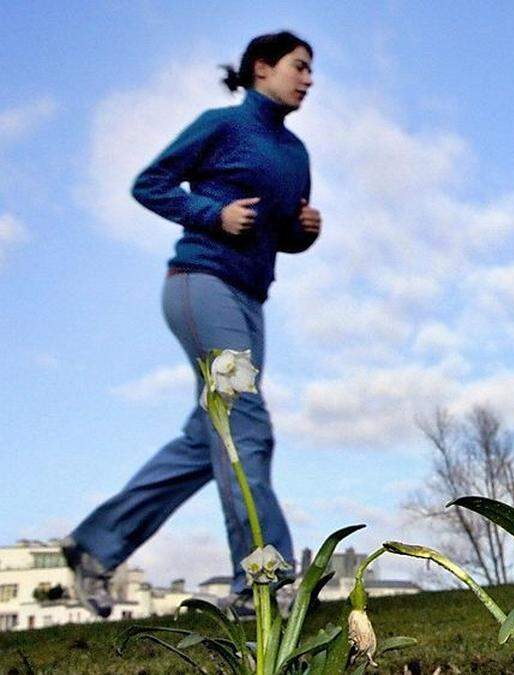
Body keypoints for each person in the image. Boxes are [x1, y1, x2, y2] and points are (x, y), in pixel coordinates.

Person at [62, 31, 320, 618]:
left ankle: (95, 546)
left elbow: (279, 233)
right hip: (200, 284)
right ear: (262, 68)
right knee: (245, 425)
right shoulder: (221, 125)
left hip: (251, 301)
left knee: (206, 441)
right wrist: (212, 213)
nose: (308, 80)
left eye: (312, 72)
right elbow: (149, 184)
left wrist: (304, 233)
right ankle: (262, 584)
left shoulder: (297, 154)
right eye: (299, 67)